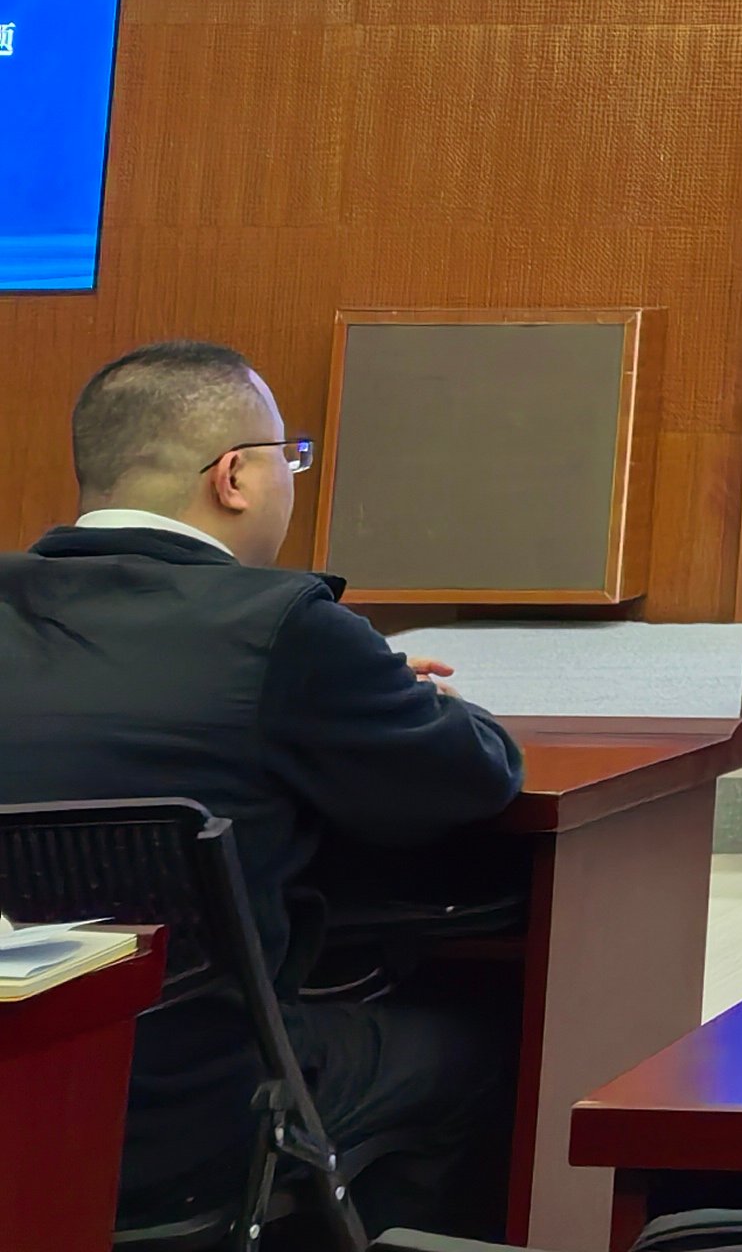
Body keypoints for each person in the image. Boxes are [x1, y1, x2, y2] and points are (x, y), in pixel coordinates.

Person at [0, 341, 525, 1233]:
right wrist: (388, 690)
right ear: (235, 476)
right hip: (185, 1121)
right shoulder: (284, 630)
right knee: (479, 1042)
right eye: (290, 457)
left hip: (22, 1095)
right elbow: (476, 775)